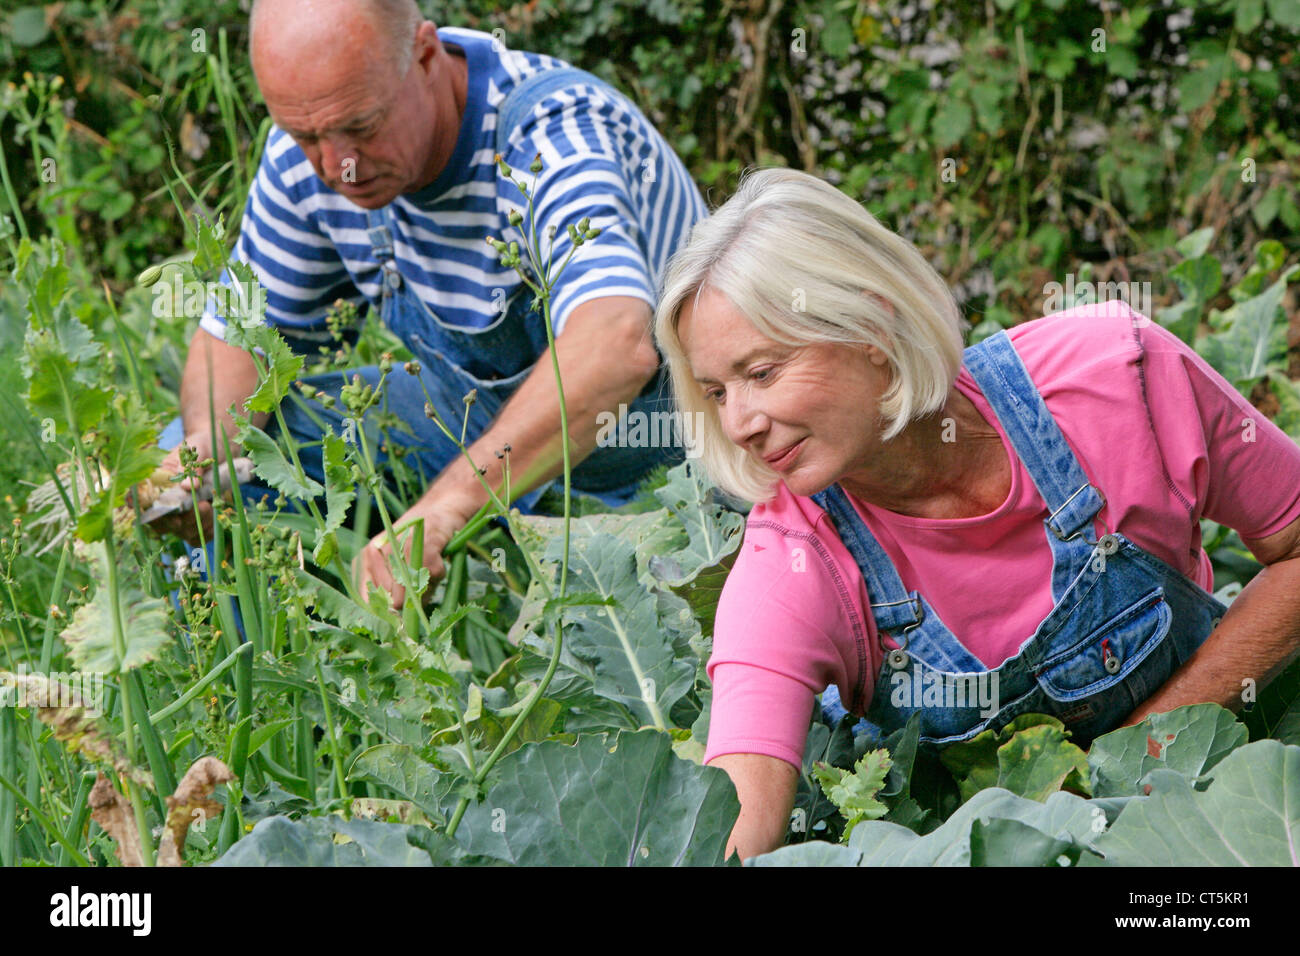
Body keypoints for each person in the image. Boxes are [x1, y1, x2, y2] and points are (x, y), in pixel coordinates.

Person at [652, 167, 1300, 862]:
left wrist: (1140, 753)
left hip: (1213, 822)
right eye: (717, 392)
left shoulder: (1112, 377)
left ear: (871, 325)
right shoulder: (791, 559)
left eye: (762, 372)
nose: (740, 422)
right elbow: (734, 822)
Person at [155, 0, 706, 605]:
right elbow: (239, 333)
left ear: (424, 55)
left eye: (362, 126)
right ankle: (257, 687)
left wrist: (444, 506)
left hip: (654, 452)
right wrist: (207, 457)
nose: (338, 166)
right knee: (205, 458)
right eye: (305, 135)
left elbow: (615, 347)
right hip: (460, 417)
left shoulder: (551, 131)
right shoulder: (309, 159)